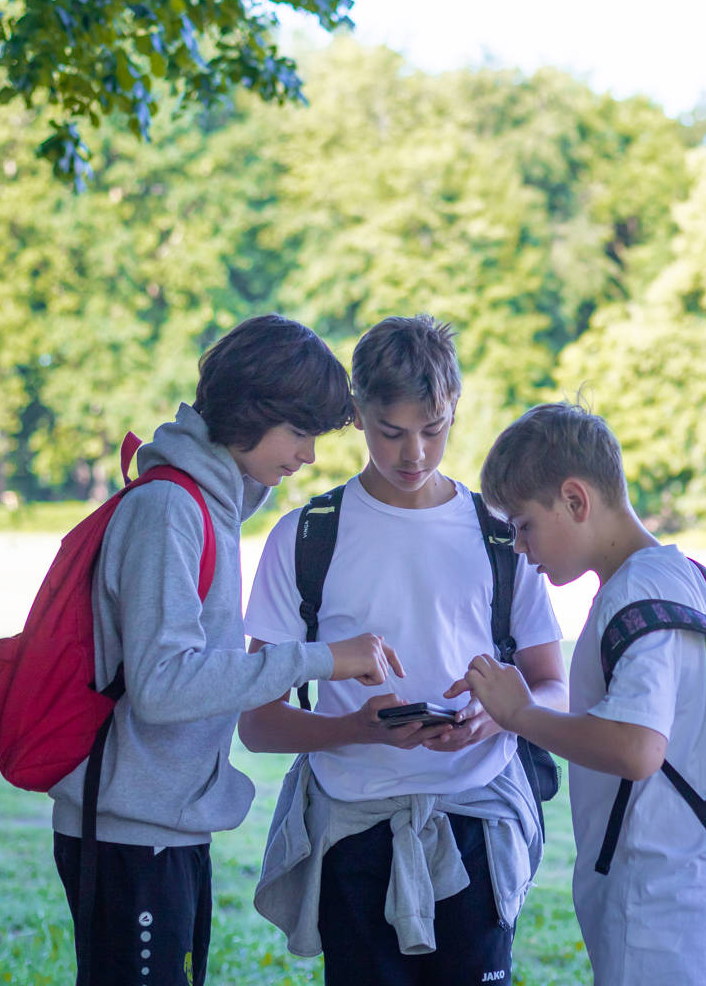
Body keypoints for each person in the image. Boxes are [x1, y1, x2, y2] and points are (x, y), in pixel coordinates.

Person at [49, 314, 403, 986]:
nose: (308, 455)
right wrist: (321, 657)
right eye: (300, 432)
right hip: (129, 831)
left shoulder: (208, 504)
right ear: (251, 412)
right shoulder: (168, 510)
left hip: (162, 825)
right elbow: (163, 686)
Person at [241, 314, 566, 986]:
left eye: (434, 429)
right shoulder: (306, 537)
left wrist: (500, 715)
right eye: (391, 432)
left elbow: (551, 685)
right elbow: (257, 722)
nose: (414, 453)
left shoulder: (502, 536)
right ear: (357, 414)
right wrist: (353, 729)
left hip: (479, 823)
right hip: (353, 834)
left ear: (455, 410)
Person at [450, 401, 706, 986]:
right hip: (691, 893)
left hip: (660, 907)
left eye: (523, 525)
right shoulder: (682, 576)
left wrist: (520, 713)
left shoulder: (637, 592)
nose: (519, 547)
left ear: (575, 500)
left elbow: (636, 747)